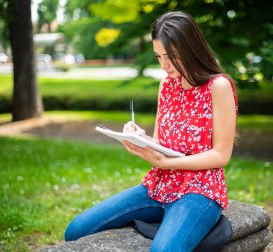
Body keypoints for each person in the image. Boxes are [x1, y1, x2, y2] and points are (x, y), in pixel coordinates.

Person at [64, 11, 238, 252]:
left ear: (191, 48)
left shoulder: (218, 86)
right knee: (76, 230)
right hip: (159, 186)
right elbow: (160, 143)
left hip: (201, 190)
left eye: (172, 56)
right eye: (158, 56)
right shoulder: (166, 85)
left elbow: (221, 155)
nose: (164, 65)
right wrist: (138, 139)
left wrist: (167, 164)